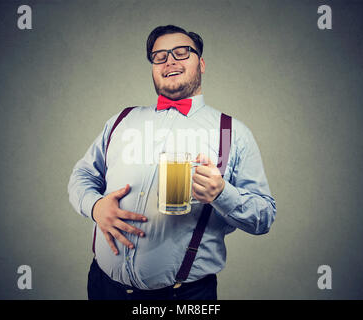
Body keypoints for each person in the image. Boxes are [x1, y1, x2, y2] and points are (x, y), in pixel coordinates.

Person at [68, 25, 276, 300]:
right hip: (103, 286)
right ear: (153, 67)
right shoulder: (122, 119)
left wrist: (221, 193)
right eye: (160, 56)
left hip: (184, 297)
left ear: (201, 63)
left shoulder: (231, 132)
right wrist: (94, 206)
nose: (170, 61)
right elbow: (82, 175)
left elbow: (263, 217)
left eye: (181, 52)